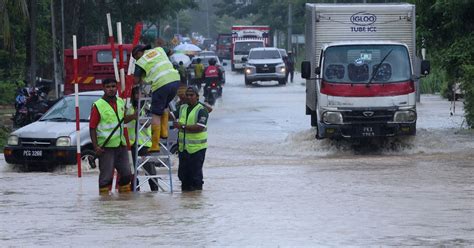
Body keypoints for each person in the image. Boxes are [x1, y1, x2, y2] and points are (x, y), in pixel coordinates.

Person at [133, 44, 180, 154]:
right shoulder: (159, 49)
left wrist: (143, 78)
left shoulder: (140, 62)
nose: (136, 59)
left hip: (161, 84)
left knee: (155, 114)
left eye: (135, 57)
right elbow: (171, 51)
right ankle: (164, 132)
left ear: (138, 53)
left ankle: (155, 144)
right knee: (164, 105)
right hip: (175, 80)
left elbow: (135, 80)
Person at [89, 78, 132, 195]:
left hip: (120, 145)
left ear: (116, 88)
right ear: (103, 88)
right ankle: (104, 203)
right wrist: (96, 146)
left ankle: (123, 201)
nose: (111, 89)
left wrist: (134, 116)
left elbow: (122, 119)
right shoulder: (98, 105)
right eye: (108, 87)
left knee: (127, 174)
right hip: (106, 147)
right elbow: (92, 127)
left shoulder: (120, 102)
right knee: (106, 177)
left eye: (113, 86)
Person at [173, 86, 209, 191]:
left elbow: (199, 127)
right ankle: (186, 202)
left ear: (197, 97)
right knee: (183, 176)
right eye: (187, 95)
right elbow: (170, 115)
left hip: (197, 149)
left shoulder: (202, 110)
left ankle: (196, 199)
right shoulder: (182, 108)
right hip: (183, 148)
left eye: (191, 95)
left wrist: (182, 126)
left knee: (195, 176)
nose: (189, 97)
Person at [124, 86, 158, 191]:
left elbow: (147, 124)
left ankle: (154, 190)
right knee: (132, 171)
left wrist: (140, 115)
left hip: (144, 144)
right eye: (136, 94)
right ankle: (135, 191)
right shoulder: (128, 108)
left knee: (150, 170)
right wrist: (133, 116)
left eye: (142, 94)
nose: (139, 96)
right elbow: (123, 120)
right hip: (131, 144)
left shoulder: (148, 108)